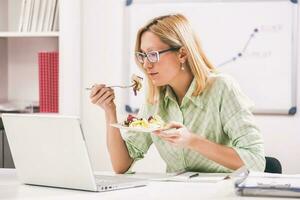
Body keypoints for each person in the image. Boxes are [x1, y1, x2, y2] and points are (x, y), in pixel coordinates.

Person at [90, 14, 265, 174]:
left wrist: (192, 141)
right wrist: (109, 111)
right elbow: (121, 165)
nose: (146, 64)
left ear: (181, 54)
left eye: (153, 54)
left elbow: (256, 161)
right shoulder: (155, 99)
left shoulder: (222, 88)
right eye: (142, 55)